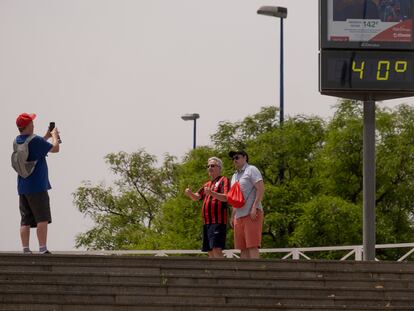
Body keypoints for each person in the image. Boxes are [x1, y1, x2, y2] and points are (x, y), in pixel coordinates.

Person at [13, 113, 60, 254]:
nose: (33, 124)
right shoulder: (36, 141)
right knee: (42, 218)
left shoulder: (17, 141)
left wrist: (45, 136)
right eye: (31, 123)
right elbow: (55, 149)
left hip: (23, 186)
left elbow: (34, 148)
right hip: (38, 186)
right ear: (28, 126)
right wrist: (55, 137)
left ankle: (26, 249)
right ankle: (42, 248)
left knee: (25, 220)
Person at [184, 157, 229, 258]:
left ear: (219, 168)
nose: (209, 168)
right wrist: (190, 193)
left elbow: (226, 197)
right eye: (208, 166)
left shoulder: (224, 180)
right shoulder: (207, 184)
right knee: (209, 250)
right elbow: (197, 197)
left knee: (216, 249)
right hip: (207, 222)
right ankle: (213, 272)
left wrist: (212, 193)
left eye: (212, 166)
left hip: (218, 221)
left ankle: (222, 272)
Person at [229, 150, 264, 259]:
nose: (235, 160)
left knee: (252, 245)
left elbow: (261, 189)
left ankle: (256, 274)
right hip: (238, 216)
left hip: (251, 213)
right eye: (233, 158)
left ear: (245, 157)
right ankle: (244, 275)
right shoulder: (234, 176)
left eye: (237, 157)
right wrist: (232, 216)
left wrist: (254, 207)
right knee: (242, 248)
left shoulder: (251, 169)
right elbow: (235, 198)